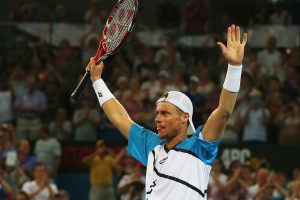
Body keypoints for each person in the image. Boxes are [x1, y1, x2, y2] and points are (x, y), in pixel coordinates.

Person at [86, 24, 247, 199]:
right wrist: (97, 80)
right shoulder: (151, 145)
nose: (157, 118)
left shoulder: (200, 146)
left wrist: (234, 67)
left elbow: (223, 111)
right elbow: (119, 117)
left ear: (185, 117)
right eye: (157, 113)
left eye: (165, 113)